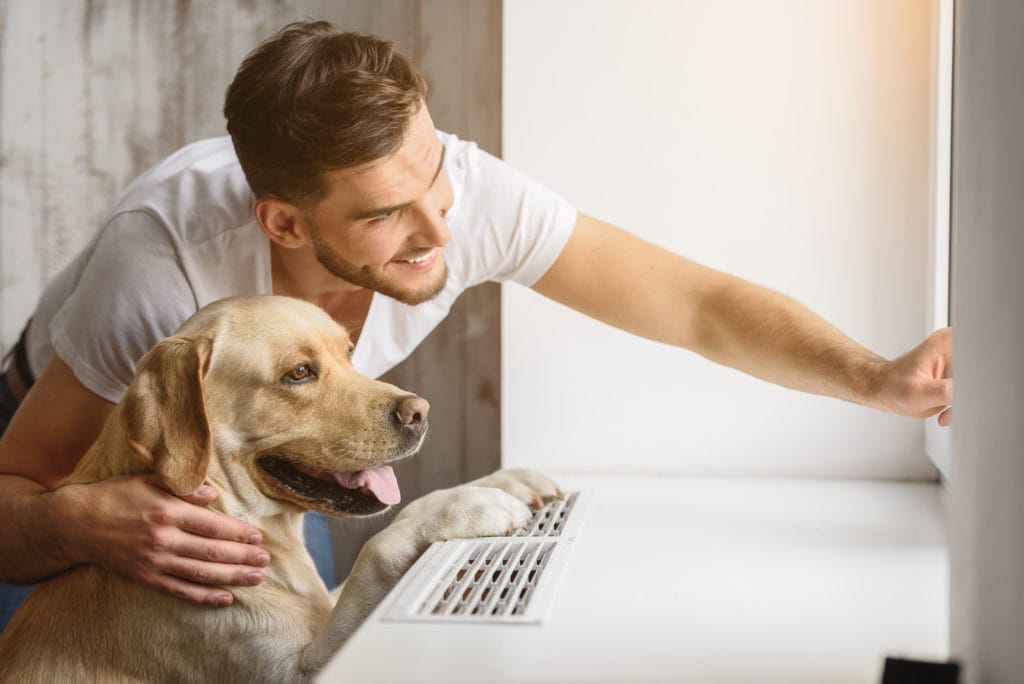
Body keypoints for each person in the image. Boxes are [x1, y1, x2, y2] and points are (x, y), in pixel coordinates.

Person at [0, 21, 952, 630]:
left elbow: (696, 306)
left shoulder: (455, 198)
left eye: (436, 179)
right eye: (382, 217)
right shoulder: (161, 269)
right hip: (66, 456)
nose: (438, 236)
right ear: (284, 223)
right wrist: (72, 522)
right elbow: (18, 490)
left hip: (279, 462)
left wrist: (878, 380)